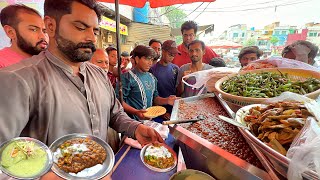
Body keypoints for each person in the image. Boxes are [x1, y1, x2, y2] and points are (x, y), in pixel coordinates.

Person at [0, 0, 163, 176]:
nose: (92, 38)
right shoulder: (17, 79)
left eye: (94, 31)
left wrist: (135, 128)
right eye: (80, 27)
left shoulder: (99, 74)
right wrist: (43, 177)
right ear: (51, 26)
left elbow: (115, 114)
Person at [116, 45, 176, 121]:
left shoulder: (152, 78)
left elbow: (155, 98)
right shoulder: (126, 77)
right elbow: (118, 101)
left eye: (151, 59)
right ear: (137, 59)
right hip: (131, 123)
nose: (150, 63)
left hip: (148, 122)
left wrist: (167, 100)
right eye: (147, 59)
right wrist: (136, 112)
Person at [150, 40, 180, 120]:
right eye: (170, 54)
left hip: (173, 109)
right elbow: (151, 94)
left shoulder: (176, 69)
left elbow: (177, 90)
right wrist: (162, 112)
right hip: (158, 110)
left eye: (174, 55)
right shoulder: (152, 70)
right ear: (163, 51)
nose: (172, 57)